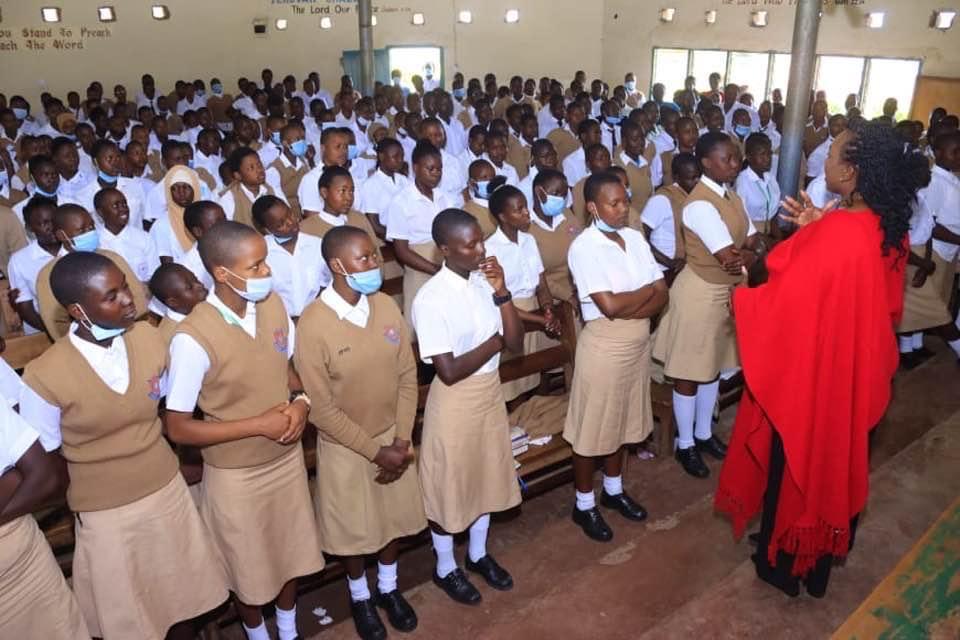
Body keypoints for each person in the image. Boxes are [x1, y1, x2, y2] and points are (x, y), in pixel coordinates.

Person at [716, 122, 930, 598]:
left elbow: (786, 291)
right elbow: (866, 296)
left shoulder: (840, 231)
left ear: (851, 171)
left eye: (831, 155)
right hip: (859, 370)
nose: (823, 161)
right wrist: (817, 230)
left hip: (820, 376)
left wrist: (744, 301)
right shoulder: (884, 226)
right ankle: (818, 565)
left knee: (796, 463)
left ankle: (782, 567)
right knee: (837, 461)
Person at [20, 251, 230, 639]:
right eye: (112, 295)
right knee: (134, 615)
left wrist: (184, 461)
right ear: (78, 310)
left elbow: (171, 409)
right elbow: (49, 461)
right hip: (106, 511)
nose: (129, 299)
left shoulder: (148, 338)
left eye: (126, 288)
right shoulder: (44, 376)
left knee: (183, 599)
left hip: (166, 491)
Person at [164, 221, 325, 640]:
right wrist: (258, 425)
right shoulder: (192, 337)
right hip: (237, 474)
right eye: (255, 267)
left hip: (285, 461)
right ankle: (258, 635)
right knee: (248, 564)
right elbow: (178, 426)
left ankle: (288, 631)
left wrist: (302, 404)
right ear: (222, 273)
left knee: (292, 553)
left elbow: (288, 372)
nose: (266, 273)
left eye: (265, 262)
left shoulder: (272, 306)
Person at [294, 226, 426, 640]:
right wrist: (375, 451)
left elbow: (407, 375)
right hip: (349, 447)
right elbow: (320, 407)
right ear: (337, 266)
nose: (375, 264)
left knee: (392, 522)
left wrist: (401, 439)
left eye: (373, 256)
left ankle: (387, 588)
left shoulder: (385, 305)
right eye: (364, 258)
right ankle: (360, 596)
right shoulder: (313, 325)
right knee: (355, 533)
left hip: (393, 437)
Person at [411, 208, 524, 605]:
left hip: (489, 391)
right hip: (456, 401)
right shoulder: (431, 299)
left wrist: (502, 290)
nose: (480, 250)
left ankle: (477, 554)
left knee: (485, 473)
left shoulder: (482, 283)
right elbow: (449, 370)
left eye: (481, 240)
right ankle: (445, 566)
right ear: (445, 249)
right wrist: (494, 342)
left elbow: (516, 342)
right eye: (470, 244)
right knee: (452, 483)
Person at [653, 132, 766, 479]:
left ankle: (703, 434)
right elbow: (730, 257)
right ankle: (684, 443)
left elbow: (753, 239)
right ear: (706, 162)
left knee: (713, 367)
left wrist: (750, 250)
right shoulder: (700, 204)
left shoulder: (731, 196)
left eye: (736, 158)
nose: (735, 164)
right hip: (699, 295)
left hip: (727, 293)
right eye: (727, 159)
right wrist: (750, 251)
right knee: (689, 372)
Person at [564, 171, 667, 542]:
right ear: (592, 207)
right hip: (605, 347)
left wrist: (632, 301)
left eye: (625, 200)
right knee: (593, 430)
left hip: (637, 344)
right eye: (614, 203)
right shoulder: (585, 247)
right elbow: (607, 306)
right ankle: (584, 504)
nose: (623, 208)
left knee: (622, 423)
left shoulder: (635, 239)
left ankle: (613, 489)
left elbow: (663, 292)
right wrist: (643, 296)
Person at [0, 388, 89, 639]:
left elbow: (44, 475)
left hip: (26, 567)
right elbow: (19, 478)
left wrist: (15, 479)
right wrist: (12, 479)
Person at [485, 180, 561, 401]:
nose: (527, 212)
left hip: (534, 311)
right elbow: (499, 300)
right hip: (509, 316)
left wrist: (546, 309)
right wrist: (537, 320)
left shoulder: (528, 240)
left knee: (535, 374)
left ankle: (535, 420)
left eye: (525, 206)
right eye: (518, 209)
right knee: (512, 384)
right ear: (502, 216)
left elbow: (541, 283)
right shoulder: (491, 249)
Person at [36, 204, 147, 340]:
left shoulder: (111, 258)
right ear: (61, 235)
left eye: (92, 227)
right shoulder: (50, 274)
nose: (90, 233)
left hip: (130, 333)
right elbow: (56, 324)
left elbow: (138, 299)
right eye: (82, 230)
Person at [898, 130, 960, 365]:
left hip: (935, 252)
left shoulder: (945, 180)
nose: (959, 157)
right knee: (932, 309)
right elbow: (926, 228)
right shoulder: (932, 183)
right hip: (920, 253)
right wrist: (924, 261)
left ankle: (913, 348)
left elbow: (931, 222)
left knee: (927, 307)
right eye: (955, 152)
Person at [384, 142, 458, 324]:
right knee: (421, 323)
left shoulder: (446, 198)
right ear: (416, 168)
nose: (436, 173)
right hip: (419, 268)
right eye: (430, 168)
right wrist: (435, 269)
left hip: (446, 264)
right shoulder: (401, 202)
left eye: (439, 169)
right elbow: (401, 251)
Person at [252, 195, 324, 320]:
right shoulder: (261, 254)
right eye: (281, 224)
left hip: (317, 316)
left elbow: (327, 284)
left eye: (290, 214)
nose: (290, 222)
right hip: (280, 320)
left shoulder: (317, 245)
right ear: (267, 229)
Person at [641, 153, 701, 284]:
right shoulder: (661, 200)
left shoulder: (695, 197)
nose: (697, 182)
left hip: (687, 266)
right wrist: (669, 262)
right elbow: (640, 236)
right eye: (691, 178)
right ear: (677, 178)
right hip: (664, 270)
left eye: (698, 177)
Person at [8, 197, 58, 334]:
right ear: (30, 228)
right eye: (44, 223)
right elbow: (25, 308)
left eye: (54, 220)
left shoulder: (74, 249)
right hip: (42, 329)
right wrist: (55, 331)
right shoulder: (19, 261)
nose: (52, 227)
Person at [94, 187, 155, 284]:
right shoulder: (95, 242)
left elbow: (154, 274)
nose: (123, 209)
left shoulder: (143, 238)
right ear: (100, 212)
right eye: (115, 206)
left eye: (124, 203)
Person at [356, 137, 410, 237]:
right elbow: (374, 225)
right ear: (381, 156)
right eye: (395, 157)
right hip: (387, 239)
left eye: (402, 156)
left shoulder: (404, 180)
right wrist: (400, 237)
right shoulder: (371, 185)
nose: (400, 160)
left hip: (410, 233)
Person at [219, 147, 286, 227]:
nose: (259, 170)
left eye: (259, 164)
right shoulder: (229, 199)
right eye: (251, 168)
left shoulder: (272, 189)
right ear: (238, 175)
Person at [148, 262, 209, 344]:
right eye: (190, 287)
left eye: (196, 279)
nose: (199, 285)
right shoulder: (178, 338)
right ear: (173, 302)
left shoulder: (204, 307)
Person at [734, 133, 782, 236]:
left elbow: (773, 213)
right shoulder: (742, 182)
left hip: (769, 230)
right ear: (749, 157)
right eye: (762, 154)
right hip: (750, 235)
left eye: (769, 154)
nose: (768, 158)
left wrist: (778, 239)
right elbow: (741, 220)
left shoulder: (771, 178)